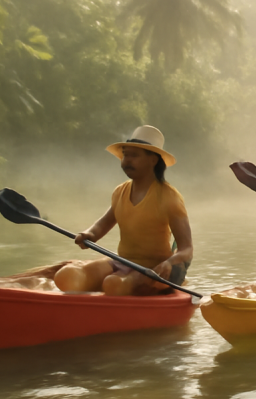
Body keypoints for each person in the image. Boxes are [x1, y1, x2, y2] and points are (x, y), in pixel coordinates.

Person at [53, 125, 194, 296]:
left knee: (113, 284)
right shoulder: (120, 191)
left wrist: (170, 263)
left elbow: (186, 248)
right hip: (122, 262)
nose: (127, 160)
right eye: (125, 155)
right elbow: (102, 225)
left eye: (134, 155)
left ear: (153, 160)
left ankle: (124, 287)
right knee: (66, 275)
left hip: (155, 270)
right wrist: (88, 234)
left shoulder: (169, 196)